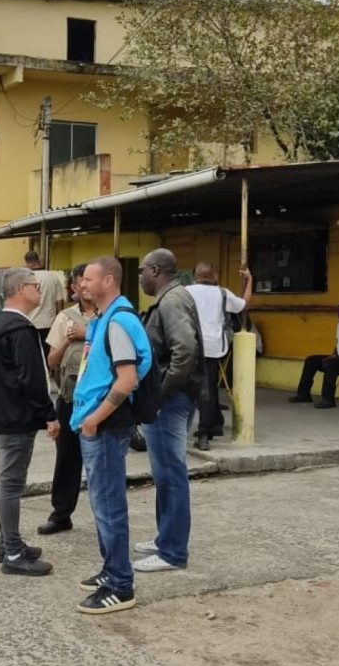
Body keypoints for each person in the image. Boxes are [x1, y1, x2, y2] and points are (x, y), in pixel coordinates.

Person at [72, 256, 153, 614]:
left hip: (105, 426)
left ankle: (121, 584)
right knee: (101, 503)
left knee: (109, 506)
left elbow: (127, 379)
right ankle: (111, 568)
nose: (82, 284)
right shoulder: (103, 318)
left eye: (89, 279)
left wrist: (94, 419)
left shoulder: (118, 321)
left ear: (108, 280)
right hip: (95, 424)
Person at [0, 267, 61, 575]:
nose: (39, 290)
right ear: (20, 289)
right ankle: (14, 553)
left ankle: (7, 543)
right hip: (16, 416)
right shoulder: (19, 329)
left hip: (5, 413)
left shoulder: (2, 324)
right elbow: (32, 378)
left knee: (6, 481)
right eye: (34, 285)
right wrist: (49, 414)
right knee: (11, 483)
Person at [136, 248, 204, 573]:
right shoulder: (170, 298)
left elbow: (185, 349)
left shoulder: (172, 300)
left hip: (170, 400)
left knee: (171, 473)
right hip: (173, 397)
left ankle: (173, 552)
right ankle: (166, 537)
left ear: (154, 270)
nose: (139, 277)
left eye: (141, 270)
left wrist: (161, 392)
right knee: (164, 473)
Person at [38, 264, 96, 536]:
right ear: (73, 287)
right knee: (67, 459)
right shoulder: (65, 317)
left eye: (90, 280)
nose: (86, 286)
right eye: (81, 282)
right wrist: (69, 340)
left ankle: (106, 517)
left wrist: (88, 333)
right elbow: (51, 361)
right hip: (70, 399)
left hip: (102, 402)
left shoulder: (110, 314)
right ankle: (61, 515)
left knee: (103, 461)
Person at [185, 261, 252, 448]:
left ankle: (203, 432)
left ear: (195, 275)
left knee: (191, 388)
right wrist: (250, 280)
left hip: (190, 345)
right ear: (214, 276)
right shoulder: (223, 293)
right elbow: (244, 305)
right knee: (209, 388)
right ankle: (213, 425)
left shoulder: (185, 292)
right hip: (214, 347)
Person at [24, 251, 67, 352]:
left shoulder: (25, 279)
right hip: (49, 325)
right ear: (39, 260)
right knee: (48, 355)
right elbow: (59, 302)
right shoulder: (53, 277)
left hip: (30, 325)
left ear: (27, 263)